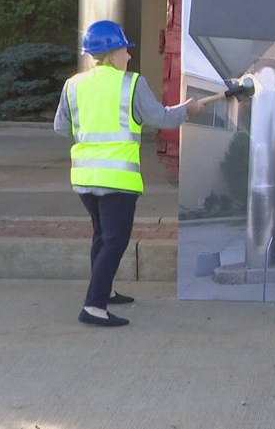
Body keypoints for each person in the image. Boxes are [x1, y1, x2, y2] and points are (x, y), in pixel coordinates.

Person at [54, 20, 202, 327]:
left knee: (101, 235)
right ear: (111, 53)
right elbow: (161, 118)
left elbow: (60, 127)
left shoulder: (73, 84)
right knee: (115, 240)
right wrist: (187, 109)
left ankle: (103, 291)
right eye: (125, 49)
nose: (129, 56)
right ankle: (94, 306)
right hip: (117, 178)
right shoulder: (131, 84)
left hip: (84, 178)